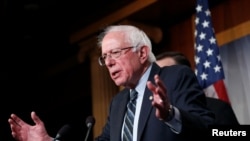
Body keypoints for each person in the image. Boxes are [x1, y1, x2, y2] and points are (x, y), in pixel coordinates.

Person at [8, 25, 215, 141]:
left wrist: (171, 115)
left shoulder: (175, 77)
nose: (108, 62)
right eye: (104, 57)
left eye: (115, 53)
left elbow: (209, 128)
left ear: (142, 53)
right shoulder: (119, 102)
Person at [156, 51, 239, 125]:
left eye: (166, 73)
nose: (157, 80)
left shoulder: (217, 108)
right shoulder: (155, 116)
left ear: (184, 74)